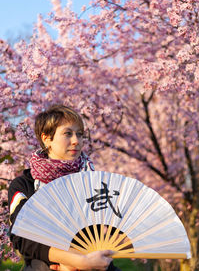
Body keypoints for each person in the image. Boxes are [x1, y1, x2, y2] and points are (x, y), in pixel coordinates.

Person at [8, 104, 122, 271]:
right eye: (67, 133)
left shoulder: (94, 181)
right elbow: (22, 237)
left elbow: (109, 230)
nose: (76, 140)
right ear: (47, 139)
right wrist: (74, 260)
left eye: (80, 134)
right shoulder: (25, 185)